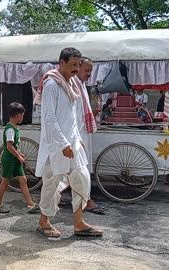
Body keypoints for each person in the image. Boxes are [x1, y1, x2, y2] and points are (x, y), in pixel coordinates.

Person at [35, 47, 102, 237]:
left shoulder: (72, 84)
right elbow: (49, 118)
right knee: (52, 183)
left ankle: (79, 223)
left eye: (78, 65)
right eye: (73, 64)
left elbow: (71, 117)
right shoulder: (51, 84)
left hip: (72, 142)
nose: (76, 68)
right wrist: (63, 143)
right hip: (56, 145)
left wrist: (77, 139)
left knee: (81, 178)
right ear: (61, 63)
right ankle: (43, 221)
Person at [56, 57, 107, 214]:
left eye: (90, 71)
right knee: (77, 172)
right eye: (86, 70)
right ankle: (85, 203)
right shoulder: (71, 85)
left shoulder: (81, 85)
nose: (88, 73)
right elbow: (70, 115)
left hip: (79, 134)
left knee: (73, 171)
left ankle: (74, 204)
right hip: (72, 135)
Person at [0, 102, 39, 214]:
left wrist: (19, 154)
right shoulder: (10, 130)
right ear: (18, 115)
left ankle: (30, 204)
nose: (22, 117)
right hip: (10, 160)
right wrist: (18, 155)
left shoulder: (13, 128)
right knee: (5, 182)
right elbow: (9, 147)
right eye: (22, 115)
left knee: (23, 180)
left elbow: (13, 146)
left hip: (15, 159)